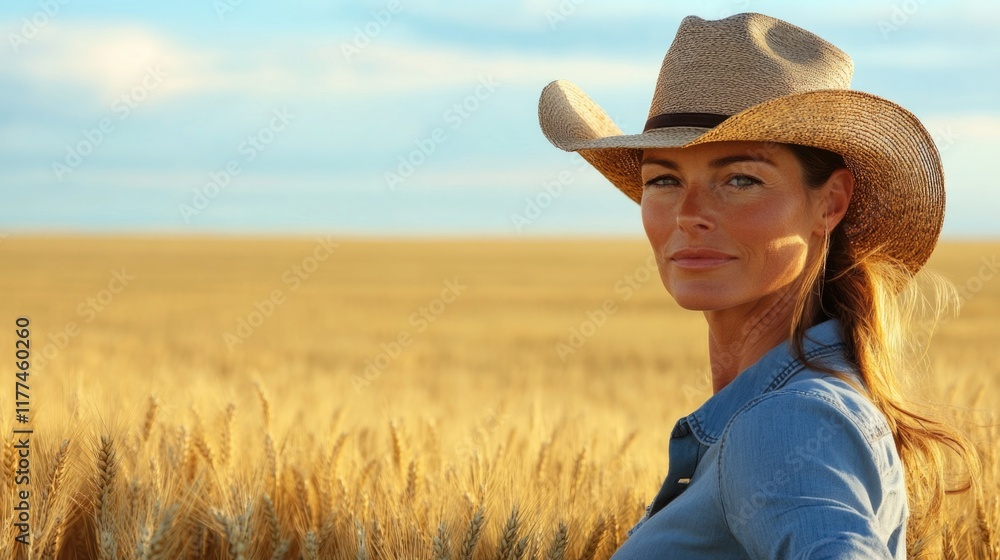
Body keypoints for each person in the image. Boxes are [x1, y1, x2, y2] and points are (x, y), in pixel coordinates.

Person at [537, 12, 980, 558]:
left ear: (830, 203)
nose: (689, 215)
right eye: (664, 180)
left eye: (741, 178)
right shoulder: (794, 403)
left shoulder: (786, 421)